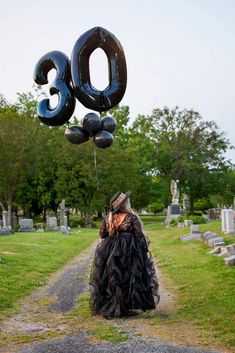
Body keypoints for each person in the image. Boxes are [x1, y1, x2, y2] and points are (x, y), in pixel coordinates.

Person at [89, 191, 160, 318]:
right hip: (129, 250)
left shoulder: (108, 218)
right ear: (125, 204)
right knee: (129, 275)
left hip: (111, 249)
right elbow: (139, 234)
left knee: (113, 277)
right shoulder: (131, 217)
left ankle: (114, 306)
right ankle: (128, 305)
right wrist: (144, 250)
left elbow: (102, 235)